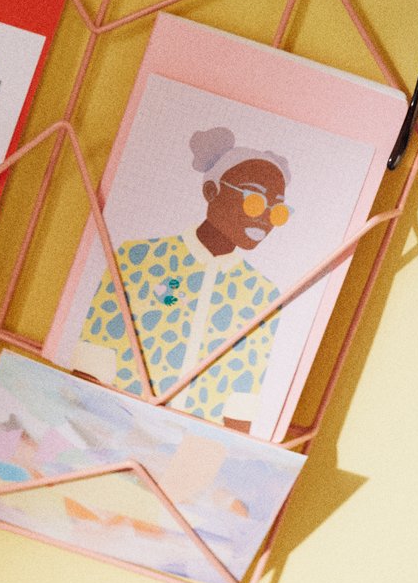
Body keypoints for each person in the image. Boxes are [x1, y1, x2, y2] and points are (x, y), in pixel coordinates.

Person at [73, 126, 291, 426]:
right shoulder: (139, 259)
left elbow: (241, 403)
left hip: (196, 443)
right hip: (112, 423)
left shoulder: (262, 295)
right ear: (211, 191)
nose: (266, 219)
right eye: (255, 201)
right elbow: (92, 360)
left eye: (278, 211)